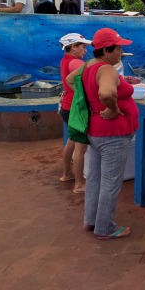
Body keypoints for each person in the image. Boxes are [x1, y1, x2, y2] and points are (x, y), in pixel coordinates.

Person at [66, 28, 139, 240]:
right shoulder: (107, 70)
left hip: (96, 131)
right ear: (106, 50)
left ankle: (91, 220)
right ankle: (104, 227)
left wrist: (90, 104)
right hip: (112, 133)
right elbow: (107, 93)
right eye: (119, 48)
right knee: (111, 181)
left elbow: (71, 81)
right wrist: (113, 108)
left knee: (96, 178)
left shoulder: (89, 65)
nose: (121, 52)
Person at [59, 33, 92, 193]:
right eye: (83, 47)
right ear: (73, 47)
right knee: (81, 147)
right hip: (76, 108)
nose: (85, 50)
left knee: (71, 141)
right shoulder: (76, 63)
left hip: (67, 106)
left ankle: (67, 174)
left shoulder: (65, 60)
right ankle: (79, 184)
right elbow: (91, 77)